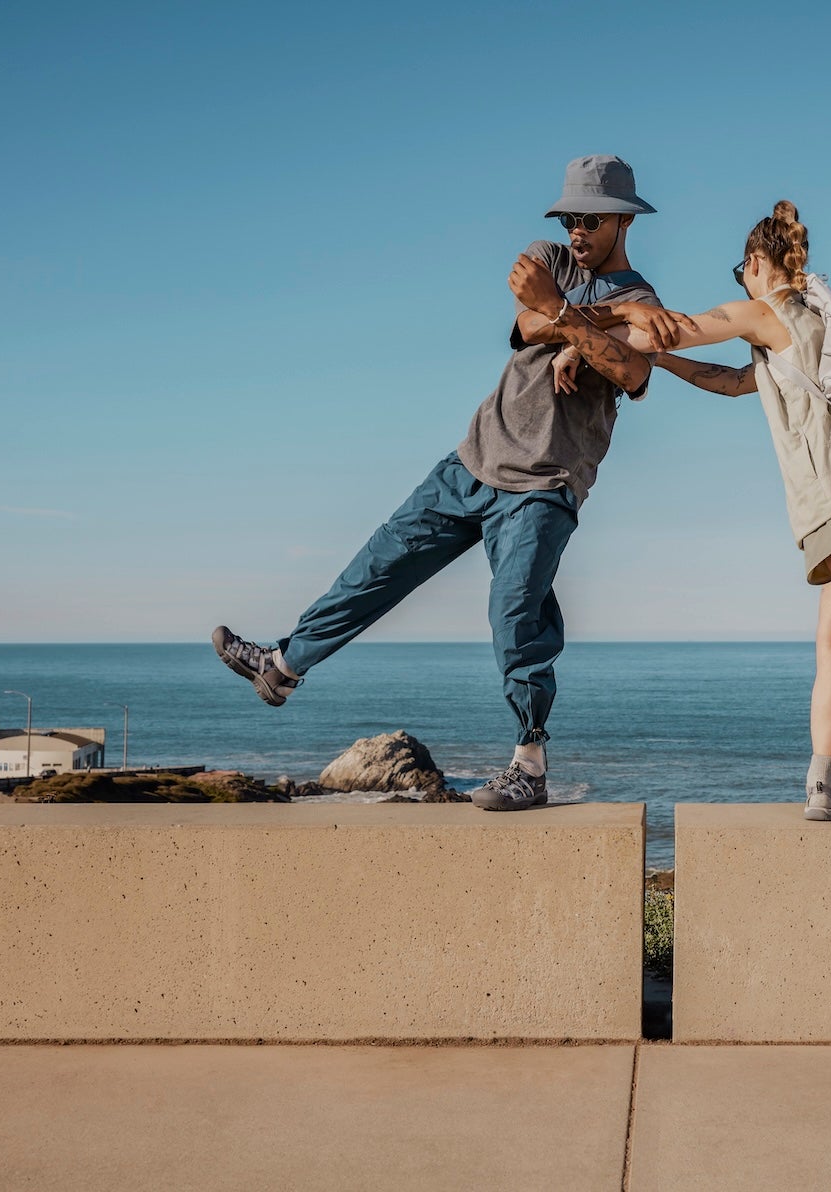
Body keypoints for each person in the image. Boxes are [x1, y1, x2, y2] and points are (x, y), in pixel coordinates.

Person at [213, 155, 680, 811]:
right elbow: (527, 323)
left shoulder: (647, 302)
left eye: (590, 219)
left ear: (623, 221)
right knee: (377, 565)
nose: (576, 229)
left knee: (515, 614)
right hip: (473, 460)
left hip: (544, 485)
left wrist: (575, 322)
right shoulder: (549, 257)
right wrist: (590, 322)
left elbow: (632, 373)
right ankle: (282, 666)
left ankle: (529, 767)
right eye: (569, 217)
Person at [540, 201, 831, 837]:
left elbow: (676, 328)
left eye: (740, 272)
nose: (740, 284)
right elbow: (727, 381)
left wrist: (585, 340)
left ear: (755, 264)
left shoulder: (766, 310)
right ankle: (822, 784)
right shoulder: (808, 322)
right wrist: (655, 361)